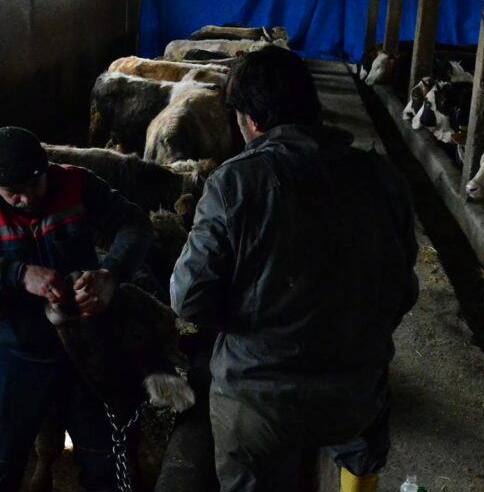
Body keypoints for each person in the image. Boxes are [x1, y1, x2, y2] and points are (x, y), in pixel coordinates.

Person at [169, 46, 418, 492]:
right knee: (362, 447)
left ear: (250, 120)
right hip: (356, 394)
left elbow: (189, 300)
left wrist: (244, 324)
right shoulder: (383, 176)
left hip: (259, 401)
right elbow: (404, 287)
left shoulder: (233, 183)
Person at [0, 126, 153, 492]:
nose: (23, 199)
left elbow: (134, 223)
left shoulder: (76, 183)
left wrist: (111, 274)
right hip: (18, 350)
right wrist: (18, 274)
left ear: (46, 170)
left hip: (83, 347)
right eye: (11, 193)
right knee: (1, 462)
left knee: (104, 458)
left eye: (33, 186)